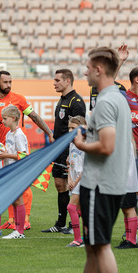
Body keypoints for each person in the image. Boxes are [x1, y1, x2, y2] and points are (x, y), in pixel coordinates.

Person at [63, 47, 131, 273]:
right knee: (93, 246)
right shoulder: (115, 96)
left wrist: (80, 144)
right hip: (110, 182)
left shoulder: (105, 102)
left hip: (100, 184)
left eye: (88, 67)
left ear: (99, 70)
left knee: (100, 246)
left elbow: (106, 145)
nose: (85, 71)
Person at [0, 70, 53, 230]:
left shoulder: (19, 99)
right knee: (8, 184)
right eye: (5, 82)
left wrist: (49, 133)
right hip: (3, 149)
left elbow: (35, 116)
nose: (8, 85)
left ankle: (26, 219)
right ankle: (11, 219)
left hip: (19, 148)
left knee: (23, 183)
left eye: (10, 82)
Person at [42, 69, 86, 234]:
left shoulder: (76, 101)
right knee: (60, 185)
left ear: (67, 81)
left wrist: (72, 151)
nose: (54, 83)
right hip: (59, 148)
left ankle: (73, 224)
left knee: (74, 187)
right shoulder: (63, 100)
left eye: (57, 80)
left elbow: (79, 128)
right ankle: (60, 223)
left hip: (70, 150)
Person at [0, 105, 28, 239]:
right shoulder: (9, 133)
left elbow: (23, 155)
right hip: (10, 170)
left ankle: (19, 231)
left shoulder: (19, 135)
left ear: (13, 119)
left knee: (18, 200)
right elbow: (10, 151)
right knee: (14, 200)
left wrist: (6, 156)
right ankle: (17, 229)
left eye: (5, 118)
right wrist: (2, 153)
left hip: (18, 171)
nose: (2, 121)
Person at [65, 116, 86, 247]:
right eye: (69, 128)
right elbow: (70, 165)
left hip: (82, 181)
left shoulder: (86, 144)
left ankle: (78, 239)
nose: (70, 130)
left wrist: (76, 181)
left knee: (70, 207)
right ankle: (86, 238)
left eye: (73, 128)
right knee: (81, 210)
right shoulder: (72, 143)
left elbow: (87, 167)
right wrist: (69, 179)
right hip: (74, 182)